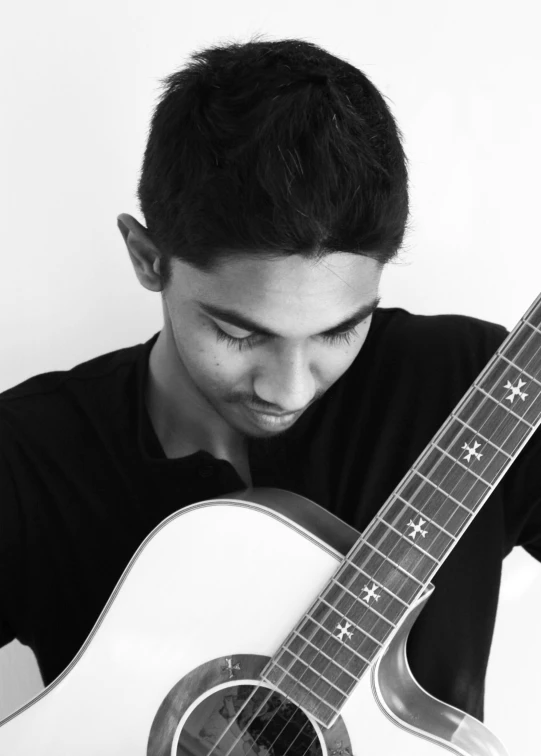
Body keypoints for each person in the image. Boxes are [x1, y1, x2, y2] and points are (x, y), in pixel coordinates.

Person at [0, 34, 539, 730]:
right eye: (239, 333)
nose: (287, 390)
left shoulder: (471, 388)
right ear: (144, 258)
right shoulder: (26, 455)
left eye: (340, 330)